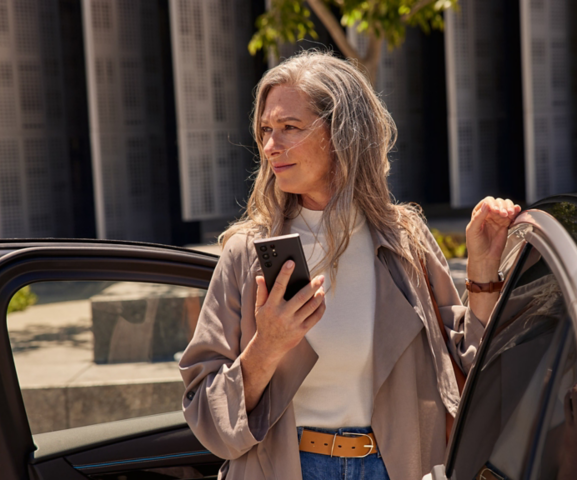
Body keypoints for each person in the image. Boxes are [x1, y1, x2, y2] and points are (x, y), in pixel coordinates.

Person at [178, 50, 520, 480]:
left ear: (341, 133)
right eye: (266, 129)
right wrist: (266, 346)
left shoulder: (403, 240)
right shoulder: (247, 252)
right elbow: (206, 416)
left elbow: (471, 375)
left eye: (289, 128)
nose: (269, 146)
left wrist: (483, 271)